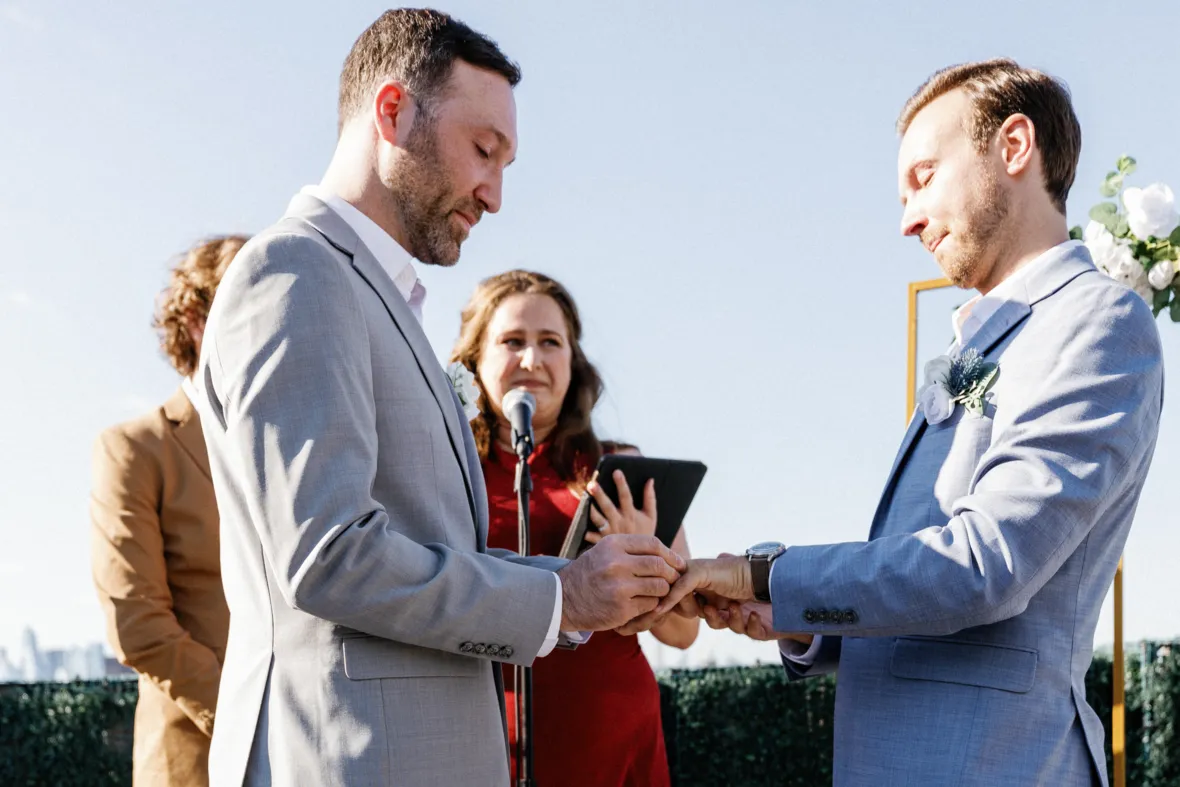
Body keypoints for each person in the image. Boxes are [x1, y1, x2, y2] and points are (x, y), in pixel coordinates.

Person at [193, 10, 684, 786]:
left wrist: (588, 591)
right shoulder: (297, 272)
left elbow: (430, 546)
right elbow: (330, 554)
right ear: (391, 112)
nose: (493, 193)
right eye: (483, 151)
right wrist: (562, 595)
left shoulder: (374, 294)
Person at [655, 59, 1164, 786]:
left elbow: (985, 565)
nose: (906, 220)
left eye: (923, 176)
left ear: (1014, 147)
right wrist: (796, 615)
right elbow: (924, 581)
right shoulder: (977, 342)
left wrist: (763, 572)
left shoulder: (1099, 319)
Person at [451, 269, 699, 786]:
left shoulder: (623, 470)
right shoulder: (444, 471)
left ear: (573, 361)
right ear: (475, 359)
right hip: (478, 731)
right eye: (512, 341)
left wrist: (644, 561)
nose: (532, 360)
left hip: (608, 732)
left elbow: (683, 632)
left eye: (550, 342)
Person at [90, 234, 246, 786]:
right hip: (193, 761)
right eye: (245, 306)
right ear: (194, 320)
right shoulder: (135, 448)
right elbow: (138, 625)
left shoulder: (295, 444)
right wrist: (247, 718)